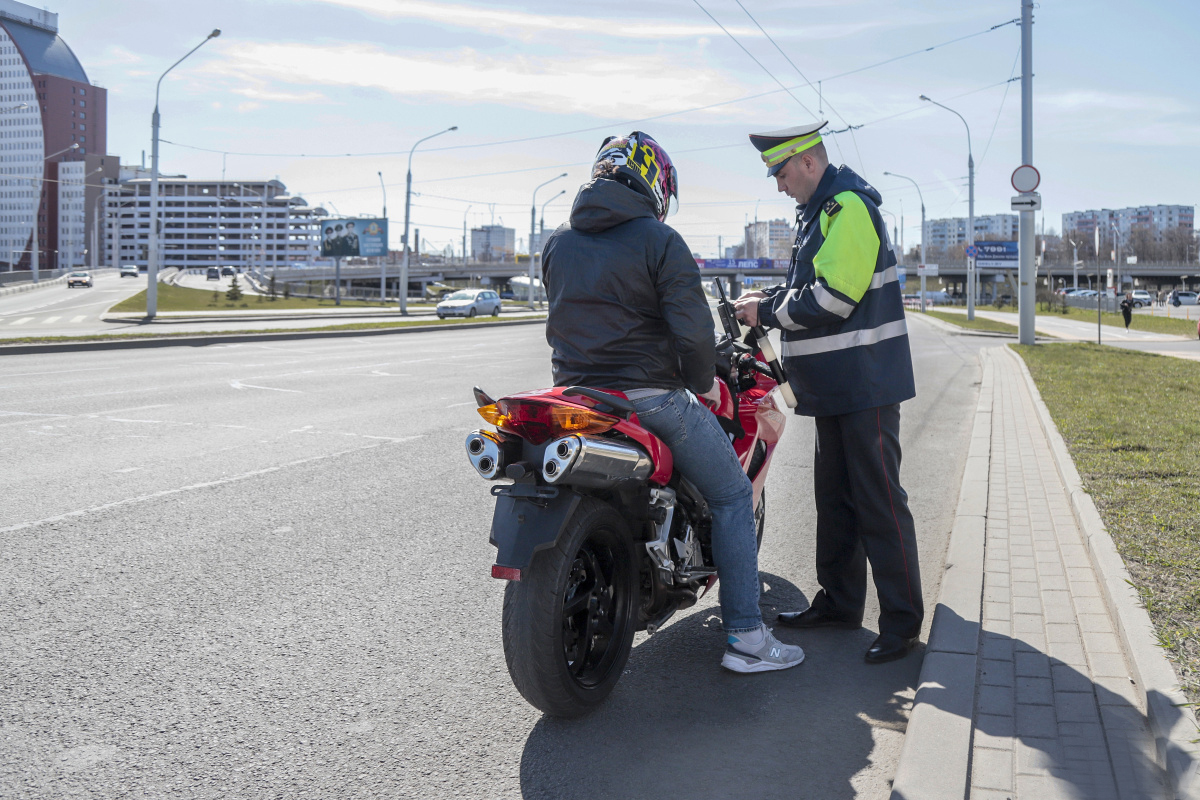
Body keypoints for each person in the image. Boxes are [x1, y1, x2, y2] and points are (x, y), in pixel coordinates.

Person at [541, 131, 804, 674]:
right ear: (655, 181)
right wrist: (702, 380)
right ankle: (747, 641)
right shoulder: (660, 241)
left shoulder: (558, 242)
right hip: (648, 399)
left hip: (576, 396)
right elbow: (692, 333)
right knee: (732, 495)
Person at [733, 121, 923, 664]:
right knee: (835, 501)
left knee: (880, 502)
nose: (778, 185)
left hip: (865, 385)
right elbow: (807, 287)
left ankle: (902, 622)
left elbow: (834, 296)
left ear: (809, 164)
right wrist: (765, 297)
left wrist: (766, 311)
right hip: (839, 387)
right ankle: (840, 603)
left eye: (782, 172)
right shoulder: (819, 214)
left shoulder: (847, 208)